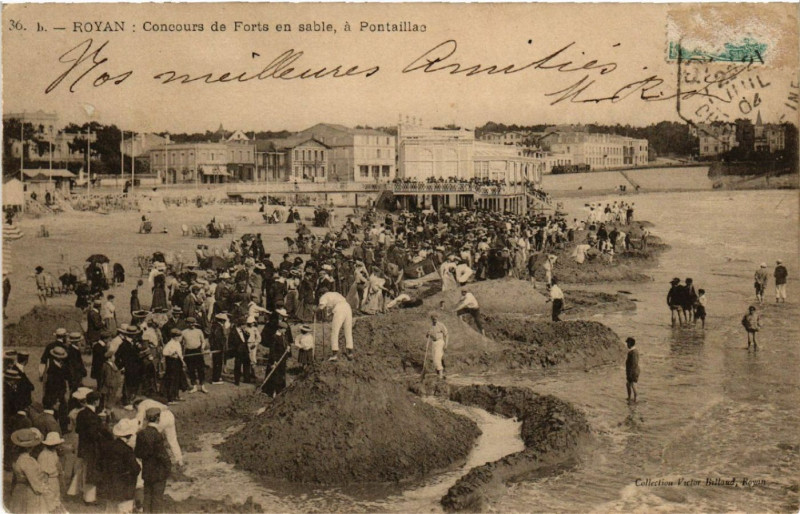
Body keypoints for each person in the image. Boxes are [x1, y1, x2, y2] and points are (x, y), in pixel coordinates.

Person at [135, 408, 172, 513]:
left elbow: (138, 453)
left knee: (147, 497)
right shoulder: (158, 435)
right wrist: (168, 467)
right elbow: (162, 455)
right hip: (159, 471)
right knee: (157, 499)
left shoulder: (141, 434)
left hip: (147, 471)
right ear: (158, 419)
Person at [133, 398, 183, 468]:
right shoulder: (151, 401)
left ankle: (155, 461)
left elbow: (138, 421)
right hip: (169, 415)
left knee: (153, 439)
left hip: (160, 418)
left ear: (136, 405)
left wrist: (135, 432)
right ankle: (179, 460)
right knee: (172, 440)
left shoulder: (141, 405)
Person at [103, 418, 141, 513]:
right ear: (129, 436)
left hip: (110, 486)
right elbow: (135, 468)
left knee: (110, 510)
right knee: (125, 510)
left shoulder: (109, 446)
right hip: (125, 488)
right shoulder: (127, 450)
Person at [8, 428, 49, 513]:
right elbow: (35, 481)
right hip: (28, 492)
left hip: (18, 490)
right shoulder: (28, 461)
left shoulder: (17, 458)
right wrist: (44, 482)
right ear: (31, 447)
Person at [75, 391, 104, 505]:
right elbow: (93, 434)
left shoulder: (81, 413)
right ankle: (89, 498)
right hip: (92, 447)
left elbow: (77, 430)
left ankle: (84, 494)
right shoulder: (93, 416)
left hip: (83, 445)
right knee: (91, 472)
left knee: (84, 470)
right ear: (96, 401)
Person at [318, 291, 354, 361]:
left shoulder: (323, 296)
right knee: (348, 331)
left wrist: (315, 310)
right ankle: (350, 353)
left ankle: (334, 355)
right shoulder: (335, 294)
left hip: (340, 308)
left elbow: (321, 307)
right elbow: (329, 312)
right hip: (347, 307)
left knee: (335, 332)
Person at [181, 317, 208, 394]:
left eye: (194, 323)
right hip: (189, 352)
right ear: (187, 324)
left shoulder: (199, 331)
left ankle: (202, 386)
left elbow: (203, 341)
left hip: (198, 351)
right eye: (191, 323)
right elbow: (180, 342)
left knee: (201, 369)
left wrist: (202, 348)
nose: (193, 325)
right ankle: (194, 386)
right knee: (191, 369)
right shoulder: (184, 332)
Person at [162, 329, 185, 403]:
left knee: (177, 380)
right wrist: (171, 354)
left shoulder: (177, 343)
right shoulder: (170, 343)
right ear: (174, 336)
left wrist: (182, 362)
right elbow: (164, 352)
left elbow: (180, 354)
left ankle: (176, 396)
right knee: (172, 380)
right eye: (178, 336)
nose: (179, 338)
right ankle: (170, 399)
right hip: (172, 363)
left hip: (177, 362)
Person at [426, 313, 449, 379]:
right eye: (433, 319)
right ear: (431, 319)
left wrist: (446, 344)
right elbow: (427, 336)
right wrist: (428, 334)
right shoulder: (430, 326)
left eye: (435, 319)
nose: (434, 320)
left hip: (440, 342)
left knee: (437, 358)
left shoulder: (441, 325)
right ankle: (438, 374)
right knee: (434, 358)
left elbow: (446, 334)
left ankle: (441, 375)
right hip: (434, 343)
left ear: (437, 318)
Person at [209, 313, 228, 384]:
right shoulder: (218, 327)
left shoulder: (214, 326)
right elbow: (218, 338)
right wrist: (221, 346)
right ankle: (215, 379)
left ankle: (217, 376)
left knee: (217, 362)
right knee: (218, 362)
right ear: (222, 320)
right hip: (218, 348)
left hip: (214, 347)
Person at [625, 337, 639, 402]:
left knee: (632, 384)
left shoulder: (633, 352)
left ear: (630, 344)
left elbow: (634, 363)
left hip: (632, 371)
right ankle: (630, 397)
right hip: (632, 371)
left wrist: (630, 373)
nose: (627, 345)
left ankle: (635, 398)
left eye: (627, 343)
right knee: (628, 384)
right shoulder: (633, 351)